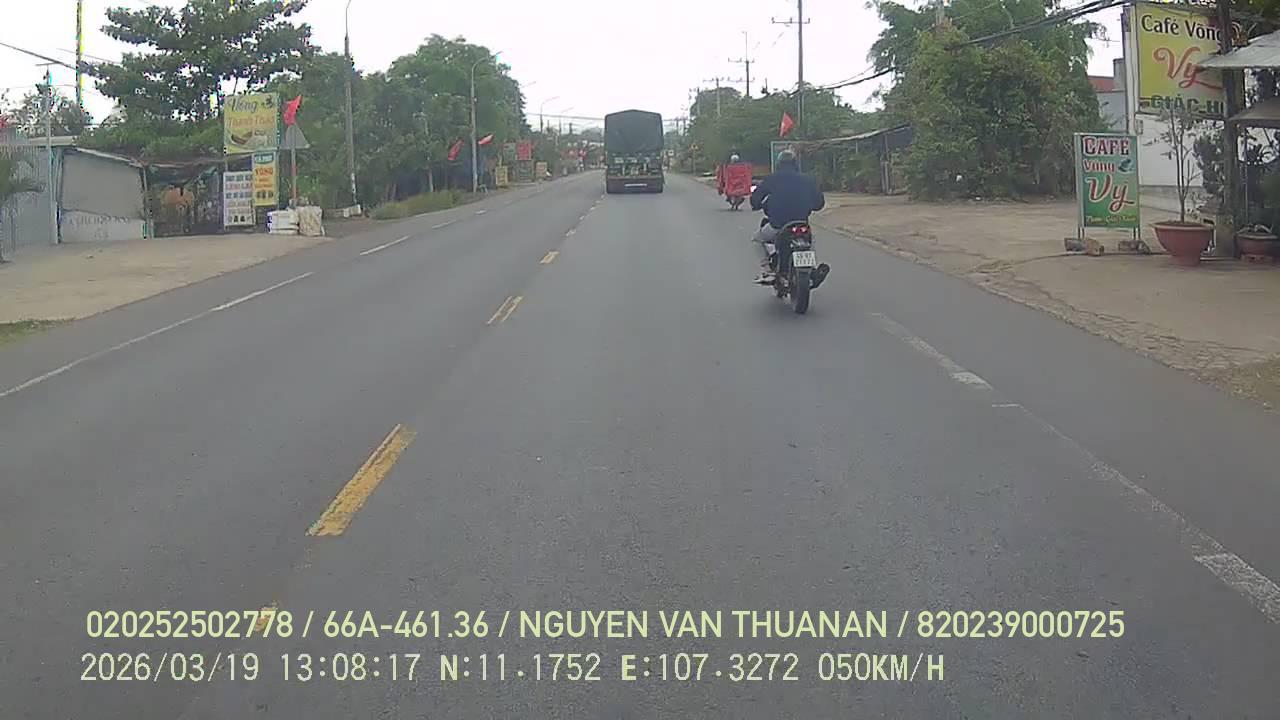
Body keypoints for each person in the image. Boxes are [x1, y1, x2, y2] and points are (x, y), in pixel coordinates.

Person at [749, 149, 825, 284]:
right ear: (796, 163)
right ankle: (811, 268)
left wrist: (758, 204)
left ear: (778, 164)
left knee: (757, 239)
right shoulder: (807, 179)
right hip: (802, 224)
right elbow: (819, 203)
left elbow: (755, 199)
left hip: (778, 225)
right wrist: (810, 206)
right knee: (810, 239)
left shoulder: (771, 179)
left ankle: (767, 271)